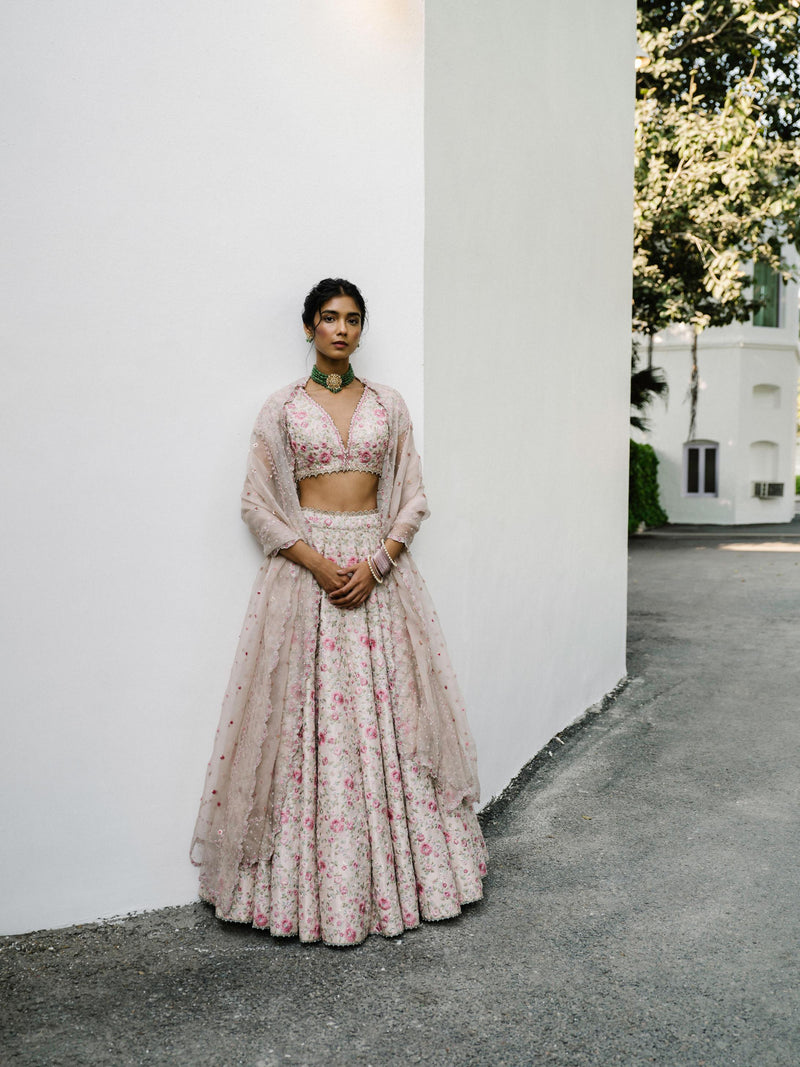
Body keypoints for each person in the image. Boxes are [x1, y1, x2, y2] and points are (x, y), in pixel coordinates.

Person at [191, 278, 486, 946]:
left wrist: (377, 563)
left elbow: (412, 495)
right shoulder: (283, 408)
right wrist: (320, 563)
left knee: (397, 719)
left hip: (380, 574)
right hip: (308, 579)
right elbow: (255, 502)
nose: (342, 329)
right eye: (329, 318)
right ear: (308, 327)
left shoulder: (389, 404)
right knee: (303, 726)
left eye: (353, 319)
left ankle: (413, 879)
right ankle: (302, 890)